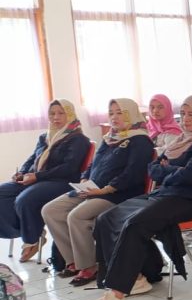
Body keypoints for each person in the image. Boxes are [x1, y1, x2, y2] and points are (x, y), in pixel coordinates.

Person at [85, 95, 192, 300]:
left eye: (191, 114)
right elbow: (153, 169)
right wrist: (175, 171)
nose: (185, 119)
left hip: (191, 200)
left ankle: (116, 295)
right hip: (165, 193)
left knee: (136, 222)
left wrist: (170, 170)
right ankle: (139, 276)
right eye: (183, 114)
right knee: (106, 218)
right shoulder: (181, 140)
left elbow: (191, 174)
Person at [41, 99, 154, 286]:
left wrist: (104, 189)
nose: (114, 117)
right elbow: (94, 164)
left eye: (120, 112)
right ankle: (73, 261)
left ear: (131, 114)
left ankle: (89, 266)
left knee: (77, 216)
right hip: (92, 188)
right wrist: (85, 179)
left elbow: (132, 174)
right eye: (111, 113)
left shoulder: (140, 140)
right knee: (50, 210)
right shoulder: (110, 137)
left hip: (117, 194)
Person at [0, 100, 90, 263]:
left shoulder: (78, 139)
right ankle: (25, 229)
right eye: (52, 114)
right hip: (39, 179)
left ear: (70, 114)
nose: (56, 117)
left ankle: (32, 240)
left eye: (61, 113)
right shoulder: (45, 136)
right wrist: (22, 172)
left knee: (25, 199)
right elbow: (33, 157)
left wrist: (37, 177)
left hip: (62, 182)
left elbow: (69, 168)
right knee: (2, 193)